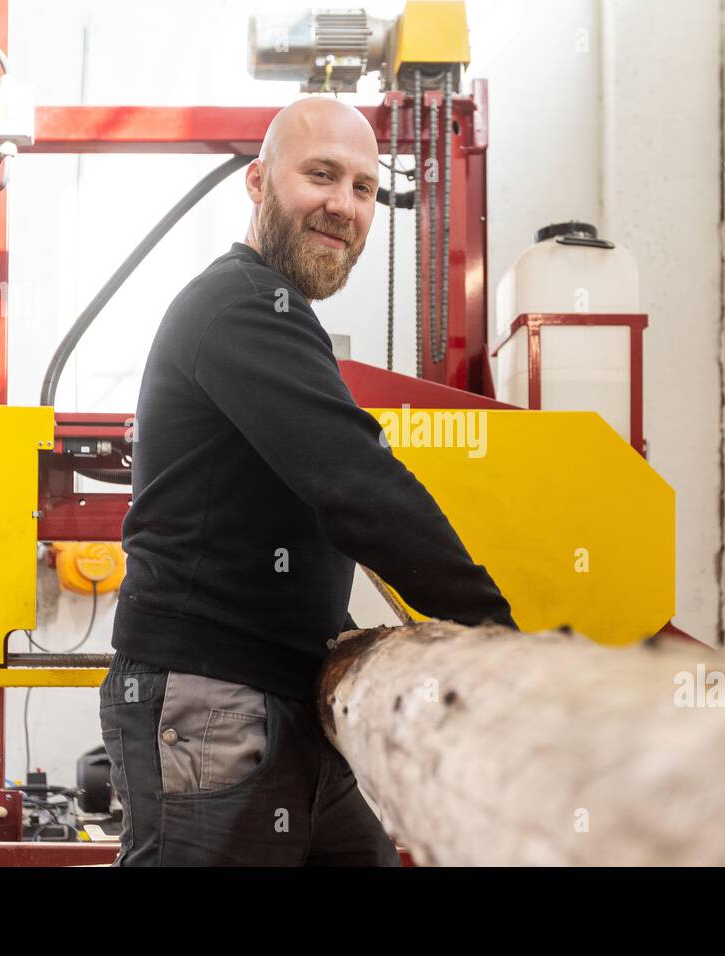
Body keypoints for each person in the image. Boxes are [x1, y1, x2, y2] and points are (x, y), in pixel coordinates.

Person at [99, 96, 517, 866]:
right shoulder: (242, 306)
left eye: (363, 187)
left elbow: (341, 484)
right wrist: (497, 633)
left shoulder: (276, 311)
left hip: (289, 694)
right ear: (258, 183)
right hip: (215, 707)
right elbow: (354, 482)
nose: (344, 205)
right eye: (320, 175)